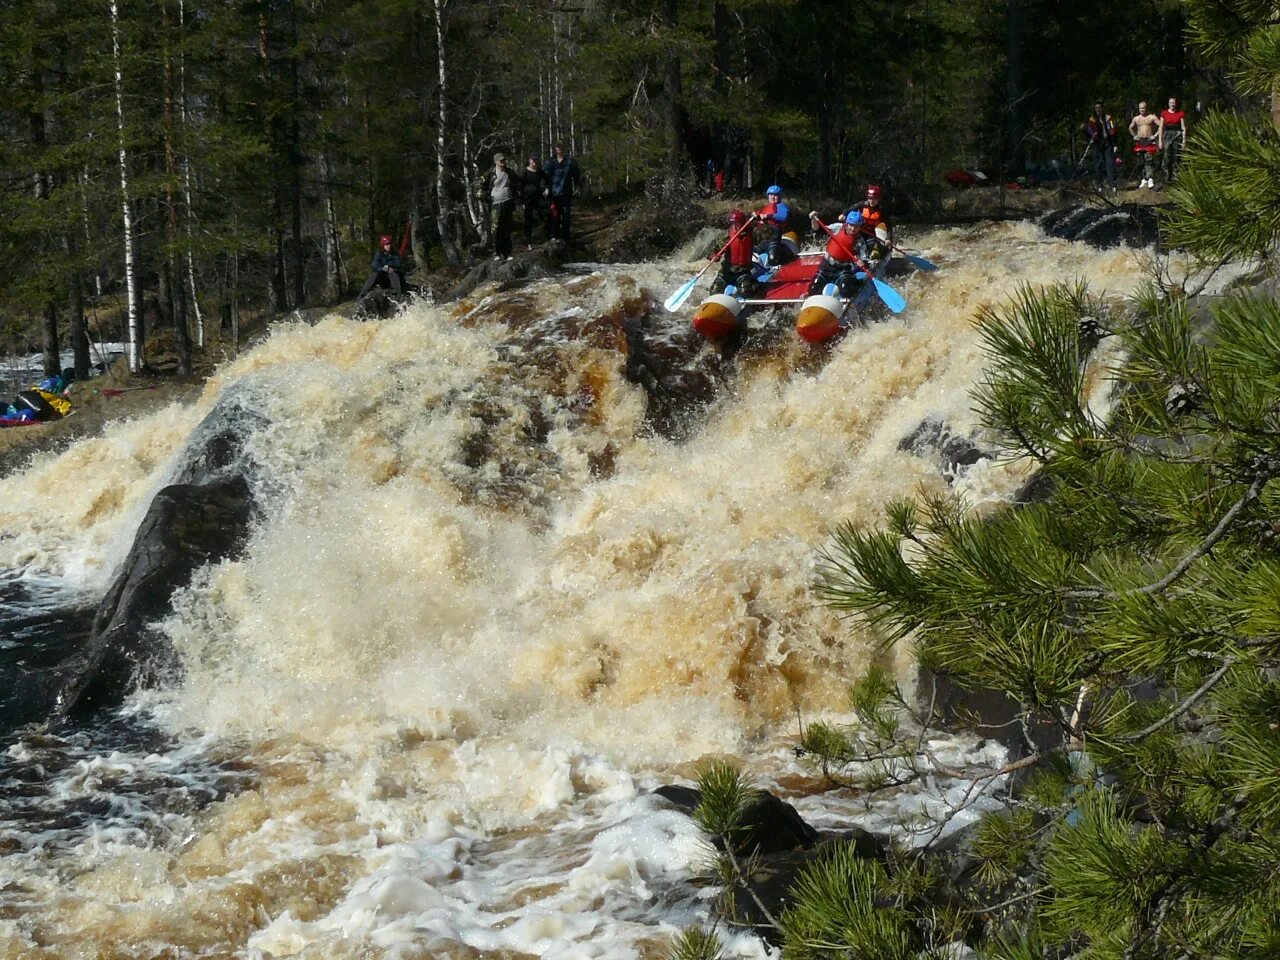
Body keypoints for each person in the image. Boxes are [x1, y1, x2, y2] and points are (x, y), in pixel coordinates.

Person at [807, 209, 866, 298]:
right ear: (847, 224)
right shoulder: (838, 227)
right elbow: (817, 229)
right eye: (851, 225)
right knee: (813, 289)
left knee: (846, 290)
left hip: (843, 269)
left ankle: (856, 283)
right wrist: (813, 219)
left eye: (856, 226)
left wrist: (861, 262)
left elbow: (864, 258)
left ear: (860, 226)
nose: (853, 229)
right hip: (826, 267)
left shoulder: (859, 240)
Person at [709, 209, 761, 296]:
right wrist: (713, 256)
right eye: (734, 223)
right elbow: (712, 249)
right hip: (726, 271)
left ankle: (754, 284)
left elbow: (769, 234)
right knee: (714, 290)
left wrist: (761, 220)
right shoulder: (726, 235)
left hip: (743, 271)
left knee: (746, 291)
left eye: (738, 223)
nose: (736, 225)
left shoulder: (752, 233)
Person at [544, 142, 582, 241]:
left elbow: (577, 175)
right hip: (553, 194)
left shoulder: (570, 162)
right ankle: (554, 235)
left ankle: (566, 236)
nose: (559, 149)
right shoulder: (550, 162)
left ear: (563, 149)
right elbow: (545, 177)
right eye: (557, 147)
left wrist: (578, 187)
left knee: (566, 215)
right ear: (555, 149)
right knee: (554, 215)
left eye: (561, 147)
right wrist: (546, 188)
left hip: (566, 193)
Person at [843, 184, 891, 262]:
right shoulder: (862, 205)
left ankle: (872, 259)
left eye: (874, 199)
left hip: (870, 234)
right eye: (870, 198)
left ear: (878, 199)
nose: (871, 201)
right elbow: (849, 209)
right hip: (857, 231)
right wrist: (843, 214)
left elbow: (889, 226)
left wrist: (888, 239)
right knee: (850, 243)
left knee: (874, 252)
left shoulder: (882, 211)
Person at [755, 185, 797, 266]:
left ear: (780, 196)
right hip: (763, 240)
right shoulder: (765, 208)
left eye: (775, 195)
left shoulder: (782, 207)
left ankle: (777, 269)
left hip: (773, 240)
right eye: (771, 195)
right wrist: (756, 217)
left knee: (773, 257)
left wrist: (768, 216)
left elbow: (783, 217)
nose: (773, 197)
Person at [1083, 102, 1119, 194]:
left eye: (1099, 107)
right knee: (1098, 165)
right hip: (1097, 144)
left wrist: (1115, 144)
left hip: (1108, 143)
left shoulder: (1108, 118)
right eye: (1096, 108)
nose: (1098, 109)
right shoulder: (1092, 120)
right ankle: (1099, 185)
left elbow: (1113, 131)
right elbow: (1089, 132)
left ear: (1102, 108)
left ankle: (1113, 185)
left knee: (1110, 164)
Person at [486, 153, 516, 260]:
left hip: (508, 201)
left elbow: (516, 184)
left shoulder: (510, 172)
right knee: (496, 228)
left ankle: (507, 253)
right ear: (496, 162)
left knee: (507, 228)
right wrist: (486, 197)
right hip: (495, 204)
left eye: (504, 160)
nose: (503, 162)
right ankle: (496, 253)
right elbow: (479, 187)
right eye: (501, 161)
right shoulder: (490, 174)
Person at [358, 233, 402, 299]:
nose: (388, 246)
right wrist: (382, 268)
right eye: (386, 244)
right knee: (374, 275)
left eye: (389, 244)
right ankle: (362, 296)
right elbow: (375, 265)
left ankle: (396, 294)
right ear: (383, 245)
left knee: (392, 272)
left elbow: (398, 263)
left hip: (393, 278)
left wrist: (389, 266)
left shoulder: (395, 254)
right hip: (383, 277)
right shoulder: (379, 254)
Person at [1129, 101, 1161, 188]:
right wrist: (1134, 136)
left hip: (1149, 141)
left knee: (1148, 160)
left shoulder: (1152, 117)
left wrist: (1155, 135)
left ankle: (1150, 178)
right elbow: (1130, 128)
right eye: (1140, 108)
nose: (1142, 110)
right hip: (1140, 141)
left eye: (1143, 108)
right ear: (1138, 109)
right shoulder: (1136, 118)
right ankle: (1143, 179)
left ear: (1146, 108)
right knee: (1141, 161)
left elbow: (1161, 125)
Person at [1159, 96, 1188, 184]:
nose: (1172, 104)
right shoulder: (1164, 113)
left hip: (1177, 135)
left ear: (1176, 104)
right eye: (1171, 102)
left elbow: (1183, 127)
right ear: (1168, 103)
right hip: (1167, 135)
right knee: (1167, 157)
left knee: (1177, 157)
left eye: (1173, 103)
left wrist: (1184, 141)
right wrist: (1160, 140)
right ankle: (1167, 178)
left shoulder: (1180, 113)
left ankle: (1177, 178)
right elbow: (1161, 127)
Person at [520, 156, 547, 250]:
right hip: (527, 199)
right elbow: (520, 187)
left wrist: (546, 189)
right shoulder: (524, 173)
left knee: (545, 214)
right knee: (528, 220)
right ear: (529, 160)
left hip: (538, 197)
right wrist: (522, 201)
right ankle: (529, 242)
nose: (535, 161)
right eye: (533, 160)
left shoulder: (539, 172)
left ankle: (545, 236)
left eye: (536, 159)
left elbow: (548, 180)